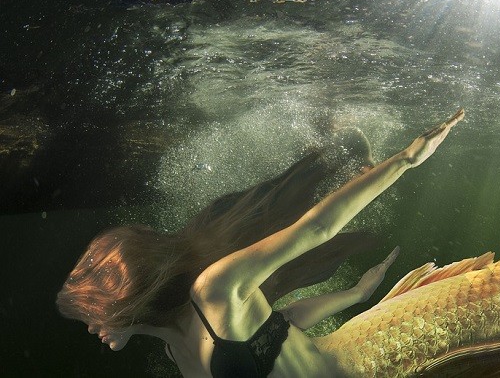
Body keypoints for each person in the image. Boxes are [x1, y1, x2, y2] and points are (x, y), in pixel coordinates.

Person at [56, 109, 465, 377]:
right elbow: (280, 324)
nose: (93, 328)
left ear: (122, 298)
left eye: (92, 315)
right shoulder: (174, 353)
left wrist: (406, 159)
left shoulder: (213, 290)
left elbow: (316, 228)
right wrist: (354, 294)